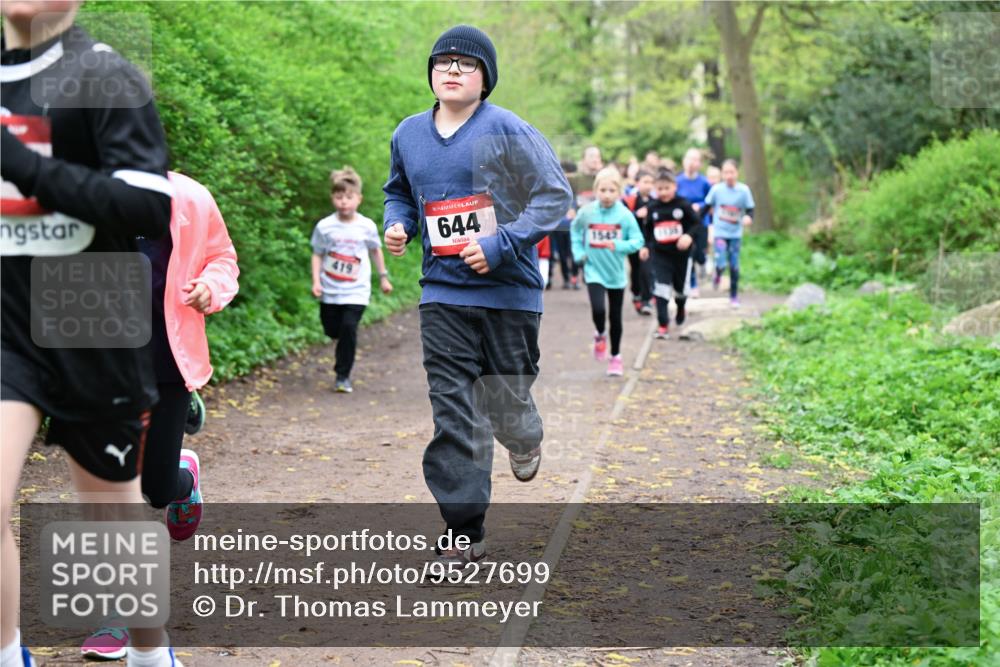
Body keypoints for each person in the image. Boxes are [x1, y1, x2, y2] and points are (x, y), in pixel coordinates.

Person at [1, 2, 182, 665]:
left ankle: (150, 654)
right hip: (6, 316)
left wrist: (22, 164)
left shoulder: (104, 75)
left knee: (110, 516)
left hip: (90, 306)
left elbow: (148, 207)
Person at [382, 25, 571, 565]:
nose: (453, 70)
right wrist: (398, 224)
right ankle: (465, 530)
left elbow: (554, 196)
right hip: (442, 294)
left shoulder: (507, 128)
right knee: (454, 411)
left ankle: (524, 434)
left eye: (467, 64)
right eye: (443, 61)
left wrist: (501, 243)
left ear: (485, 78)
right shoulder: (409, 134)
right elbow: (399, 192)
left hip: (508, 295)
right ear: (430, 72)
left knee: (506, 403)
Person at [82, 171, 240, 659]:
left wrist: (209, 288)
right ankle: (117, 616)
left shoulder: (190, 196)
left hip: (167, 363)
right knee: (113, 492)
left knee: (155, 489)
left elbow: (222, 258)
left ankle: (181, 478)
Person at [312, 166, 392, 393]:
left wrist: (383, 278)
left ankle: (342, 376)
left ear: (359, 199)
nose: (343, 202)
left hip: (357, 290)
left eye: (348, 197)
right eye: (339, 197)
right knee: (332, 330)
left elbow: (375, 251)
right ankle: (341, 345)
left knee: (349, 328)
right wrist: (316, 281)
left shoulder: (366, 226)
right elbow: (317, 254)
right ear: (332, 198)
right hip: (330, 288)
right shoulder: (324, 226)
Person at [571, 167, 645, 376]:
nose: (607, 195)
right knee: (598, 310)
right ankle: (600, 333)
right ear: (596, 190)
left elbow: (638, 240)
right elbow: (575, 230)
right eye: (602, 190)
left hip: (616, 274)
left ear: (619, 192)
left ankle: (615, 356)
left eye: (612, 191)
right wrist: (579, 253)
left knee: (615, 317)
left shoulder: (625, 215)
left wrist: (619, 245)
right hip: (593, 269)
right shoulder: (587, 212)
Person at [644, 169, 702, 339]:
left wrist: (688, 236)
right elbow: (647, 230)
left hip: (681, 255)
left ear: (674, 187)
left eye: (666, 188)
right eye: (659, 189)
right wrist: (645, 246)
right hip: (660, 255)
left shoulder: (682, 204)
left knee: (680, 289)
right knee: (661, 289)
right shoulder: (652, 207)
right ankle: (663, 325)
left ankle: (681, 307)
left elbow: (696, 223)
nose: (663, 192)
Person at [705, 159, 755, 308]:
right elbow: (706, 207)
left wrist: (748, 218)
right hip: (720, 232)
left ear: (737, 173)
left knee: (734, 265)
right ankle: (718, 274)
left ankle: (734, 296)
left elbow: (751, 209)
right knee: (721, 263)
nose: (729, 176)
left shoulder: (744, 190)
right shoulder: (716, 190)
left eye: (731, 172)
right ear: (722, 174)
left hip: (735, 234)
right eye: (726, 172)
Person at [675, 148, 711, 297]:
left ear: (700, 164)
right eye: (689, 159)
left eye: (695, 160)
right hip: (684, 224)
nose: (691, 163)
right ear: (684, 161)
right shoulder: (677, 181)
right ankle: (693, 284)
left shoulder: (704, 182)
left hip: (701, 221)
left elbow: (710, 201)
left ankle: (704, 261)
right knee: (688, 253)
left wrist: (699, 206)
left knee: (699, 253)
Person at [622, 169, 655, 315]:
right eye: (645, 182)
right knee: (635, 269)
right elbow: (622, 218)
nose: (648, 185)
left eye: (651, 182)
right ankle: (636, 294)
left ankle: (647, 300)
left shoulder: (656, 202)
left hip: (649, 242)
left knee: (646, 270)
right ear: (637, 183)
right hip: (633, 241)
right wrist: (636, 214)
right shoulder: (629, 201)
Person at [551, 160, 579, 289]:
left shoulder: (576, 190)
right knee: (562, 255)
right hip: (558, 227)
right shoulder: (554, 189)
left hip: (573, 227)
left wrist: (576, 211)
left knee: (574, 253)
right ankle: (566, 278)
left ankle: (574, 277)